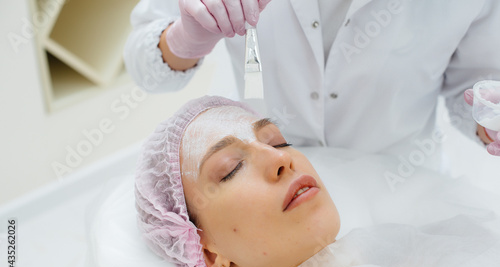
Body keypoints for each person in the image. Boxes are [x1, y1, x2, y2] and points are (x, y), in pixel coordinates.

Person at [134, 96, 500, 267]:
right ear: (208, 251)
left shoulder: (452, 257)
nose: (280, 158)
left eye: (277, 141)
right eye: (230, 168)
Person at [124, 0, 500, 158]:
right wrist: (184, 38)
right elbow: (145, 70)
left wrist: (491, 120)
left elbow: (473, 88)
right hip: (269, 186)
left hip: (401, 184)